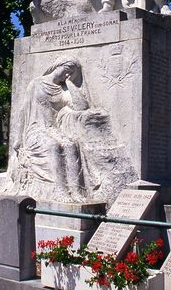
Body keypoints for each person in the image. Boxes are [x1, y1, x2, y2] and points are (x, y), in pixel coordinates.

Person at [8, 57, 107, 201]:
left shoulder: (62, 89)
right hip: (35, 130)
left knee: (71, 146)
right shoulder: (36, 83)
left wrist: (70, 84)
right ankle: (60, 190)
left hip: (52, 130)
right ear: (57, 65)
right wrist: (17, 137)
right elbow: (23, 110)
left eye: (70, 73)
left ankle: (76, 191)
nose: (67, 75)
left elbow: (81, 107)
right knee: (53, 146)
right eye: (66, 70)